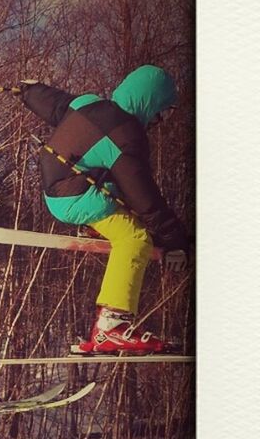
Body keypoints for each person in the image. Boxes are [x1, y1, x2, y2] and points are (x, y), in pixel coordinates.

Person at [15, 64, 190, 354]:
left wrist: (31, 91)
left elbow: (57, 105)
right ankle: (112, 326)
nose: (158, 121)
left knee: (132, 216)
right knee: (135, 238)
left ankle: (99, 226)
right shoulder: (126, 133)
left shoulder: (89, 103)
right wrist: (174, 241)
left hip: (58, 189)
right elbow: (143, 197)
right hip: (78, 197)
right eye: (162, 112)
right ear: (150, 101)